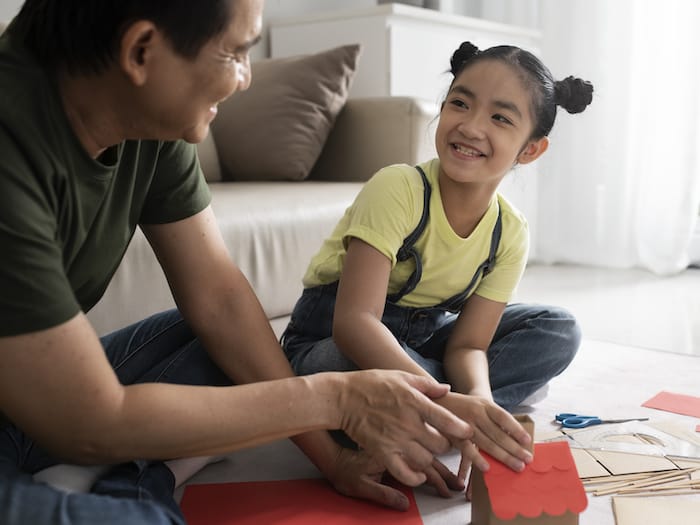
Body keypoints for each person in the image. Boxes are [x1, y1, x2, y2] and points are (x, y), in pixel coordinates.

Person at [0, 1, 477, 523]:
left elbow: (220, 301)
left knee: (225, 344)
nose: (247, 78)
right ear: (141, 52)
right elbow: (88, 420)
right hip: (53, 410)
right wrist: (335, 399)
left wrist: (334, 457)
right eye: (236, 53)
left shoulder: (147, 120)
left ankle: (121, 479)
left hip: (32, 389)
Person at [282, 41, 594, 491]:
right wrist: (452, 399)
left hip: (423, 346)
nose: (470, 126)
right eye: (460, 104)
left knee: (558, 329)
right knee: (345, 360)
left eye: (500, 118)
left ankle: (437, 417)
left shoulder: (510, 231)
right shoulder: (399, 188)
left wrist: (481, 401)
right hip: (333, 342)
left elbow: (468, 346)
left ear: (531, 150)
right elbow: (354, 325)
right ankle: (436, 413)